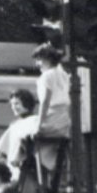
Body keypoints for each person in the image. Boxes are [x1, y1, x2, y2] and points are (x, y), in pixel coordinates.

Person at [32, 43, 71, 172]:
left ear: (47, 59)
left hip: (52, 116)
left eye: (39, 60)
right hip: (64, 119)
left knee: (22, 129)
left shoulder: (46, 77)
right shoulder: (64, 74)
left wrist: (39, 124)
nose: (37, 64)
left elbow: (45, 101)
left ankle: (16, 160)